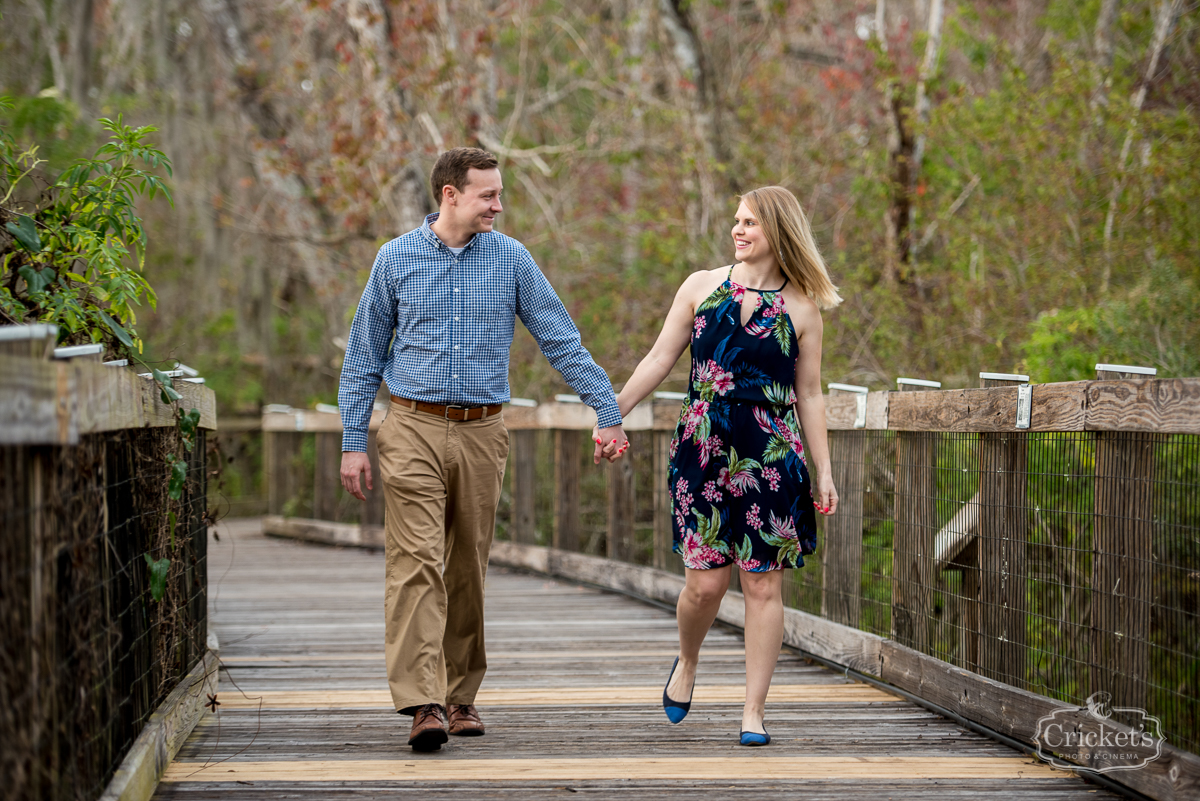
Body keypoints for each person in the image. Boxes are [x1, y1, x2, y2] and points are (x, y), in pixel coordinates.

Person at [337, 147, 628, 752]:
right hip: (411, 425)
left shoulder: (512, 260)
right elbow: (363, 356)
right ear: (450, 195)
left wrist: (606, 410)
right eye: (488, 195)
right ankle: (422, 704)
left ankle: (459, 694)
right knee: (415, 561)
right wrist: (352, 441)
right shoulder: (394, 259)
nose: (498, 205)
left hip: (482, 429)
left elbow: (562, 341)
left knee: (466, 563)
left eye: (499, 194)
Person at [612, 185, 841, 745]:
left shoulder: (802, 309)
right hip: (703, 446)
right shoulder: (700, 288)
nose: (738, 231)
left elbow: (809, 395)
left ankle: (753, 713)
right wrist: (610, 412)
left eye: (750, 223)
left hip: (770, 451)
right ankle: (687, 661)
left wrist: (824, 470)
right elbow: (661, 357)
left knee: (762, 586)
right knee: (705, 586)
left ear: (777, 232)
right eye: (736, 221)